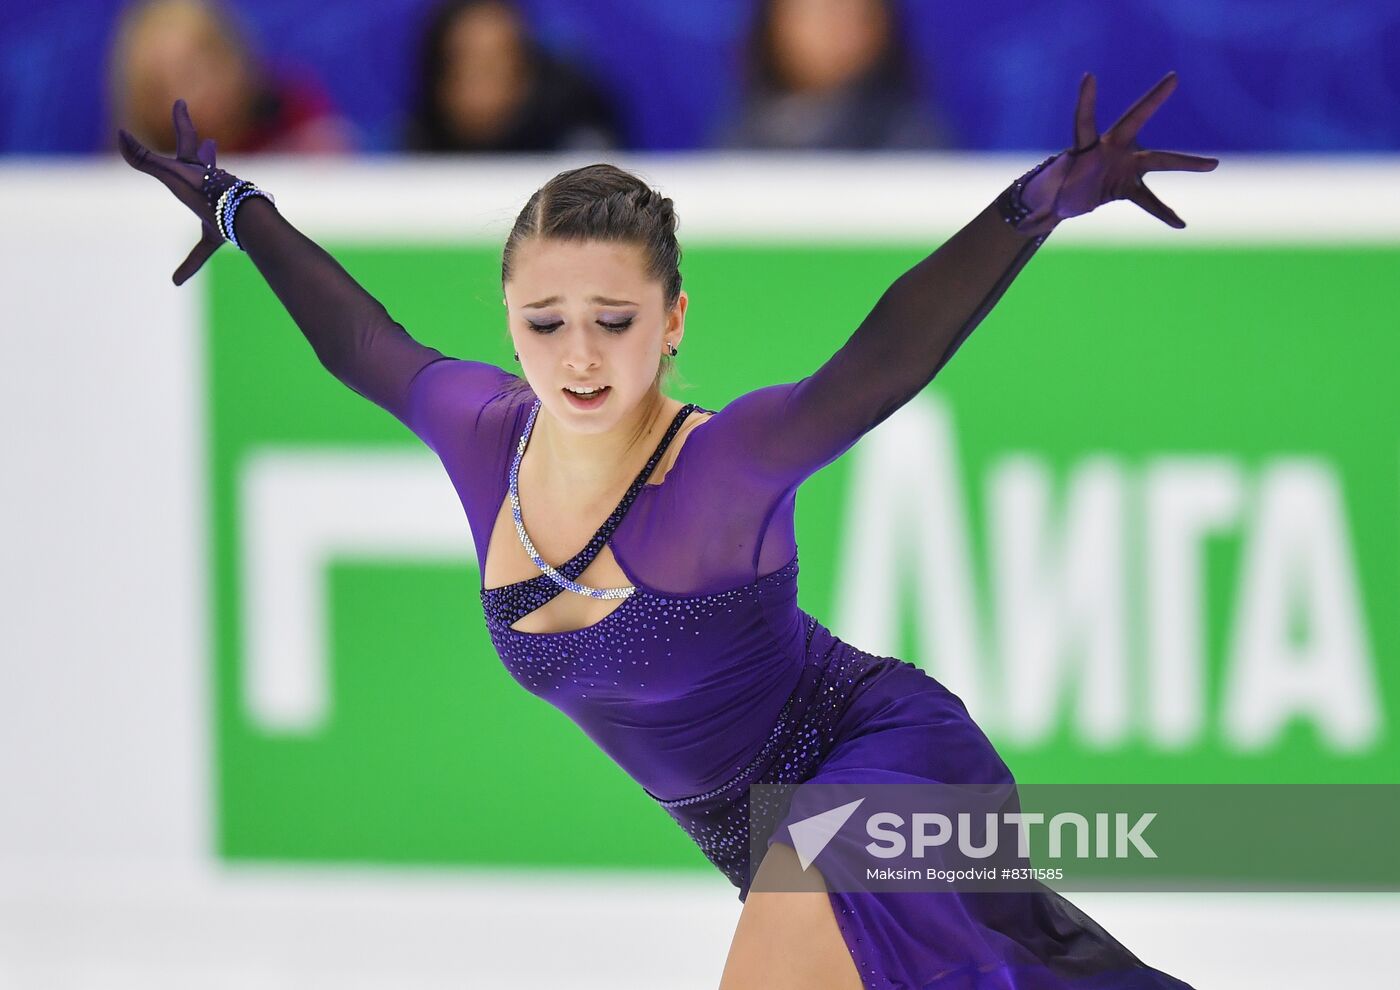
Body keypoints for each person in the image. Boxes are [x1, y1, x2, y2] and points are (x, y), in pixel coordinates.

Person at [117, 72, 1217, 988]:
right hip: (763, 840)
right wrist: (233, 206)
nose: (579, 356)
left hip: (879, 763)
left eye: (615, 320)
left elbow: (874, 371)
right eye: (544, 322)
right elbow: (362, 344)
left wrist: (1031, 206)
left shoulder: (720, 470)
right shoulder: (478, 434)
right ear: (506, 315)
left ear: (673, 319)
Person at [106, 0, 356, 155]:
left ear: (230, 56)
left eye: (193, 73)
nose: (182, 96)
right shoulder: (135, 174)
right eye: (160, 87)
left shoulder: (294, 119)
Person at [715, 0, 953, 151]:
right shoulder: (735, 143)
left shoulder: (916, 143)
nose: (834, 29)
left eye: (852, 13)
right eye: (815, 12)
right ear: (775, 22)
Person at [403, 0, 624, 153]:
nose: (482, 89)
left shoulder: (578, 146)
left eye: (495, 68)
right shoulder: (410, 155)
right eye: (467, 71)